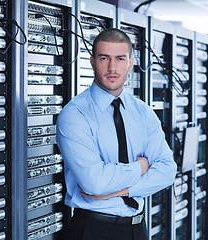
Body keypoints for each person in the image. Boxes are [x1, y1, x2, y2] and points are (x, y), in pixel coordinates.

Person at [56, 28, 177, 240]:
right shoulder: (74, 114)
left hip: (137, 228)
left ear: (130, 63)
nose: (112, 67)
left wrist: (118, 192)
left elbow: (168, 170)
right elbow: (94, 182)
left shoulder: (143, 112)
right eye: (104, 58)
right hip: (92, 230)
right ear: (92, 62)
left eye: (120, 58)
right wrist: (140, 167)